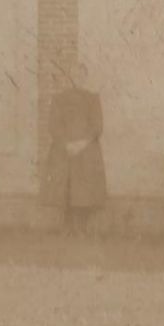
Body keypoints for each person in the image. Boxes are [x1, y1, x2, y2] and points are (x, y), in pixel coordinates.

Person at [47, 62, 106, 233]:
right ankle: (67, 227)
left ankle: (82, 226)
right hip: (64, 150)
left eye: (81, 74)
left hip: (86, 150)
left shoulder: (93, 99)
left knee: (85, 190)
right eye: (74, 75)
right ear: (69, 78)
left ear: (85, 77)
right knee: (66, 187)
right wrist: (66, 144)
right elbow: (54, 125)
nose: (77, 78)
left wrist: (82, 143)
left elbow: (97, 126)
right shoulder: (59, 99)